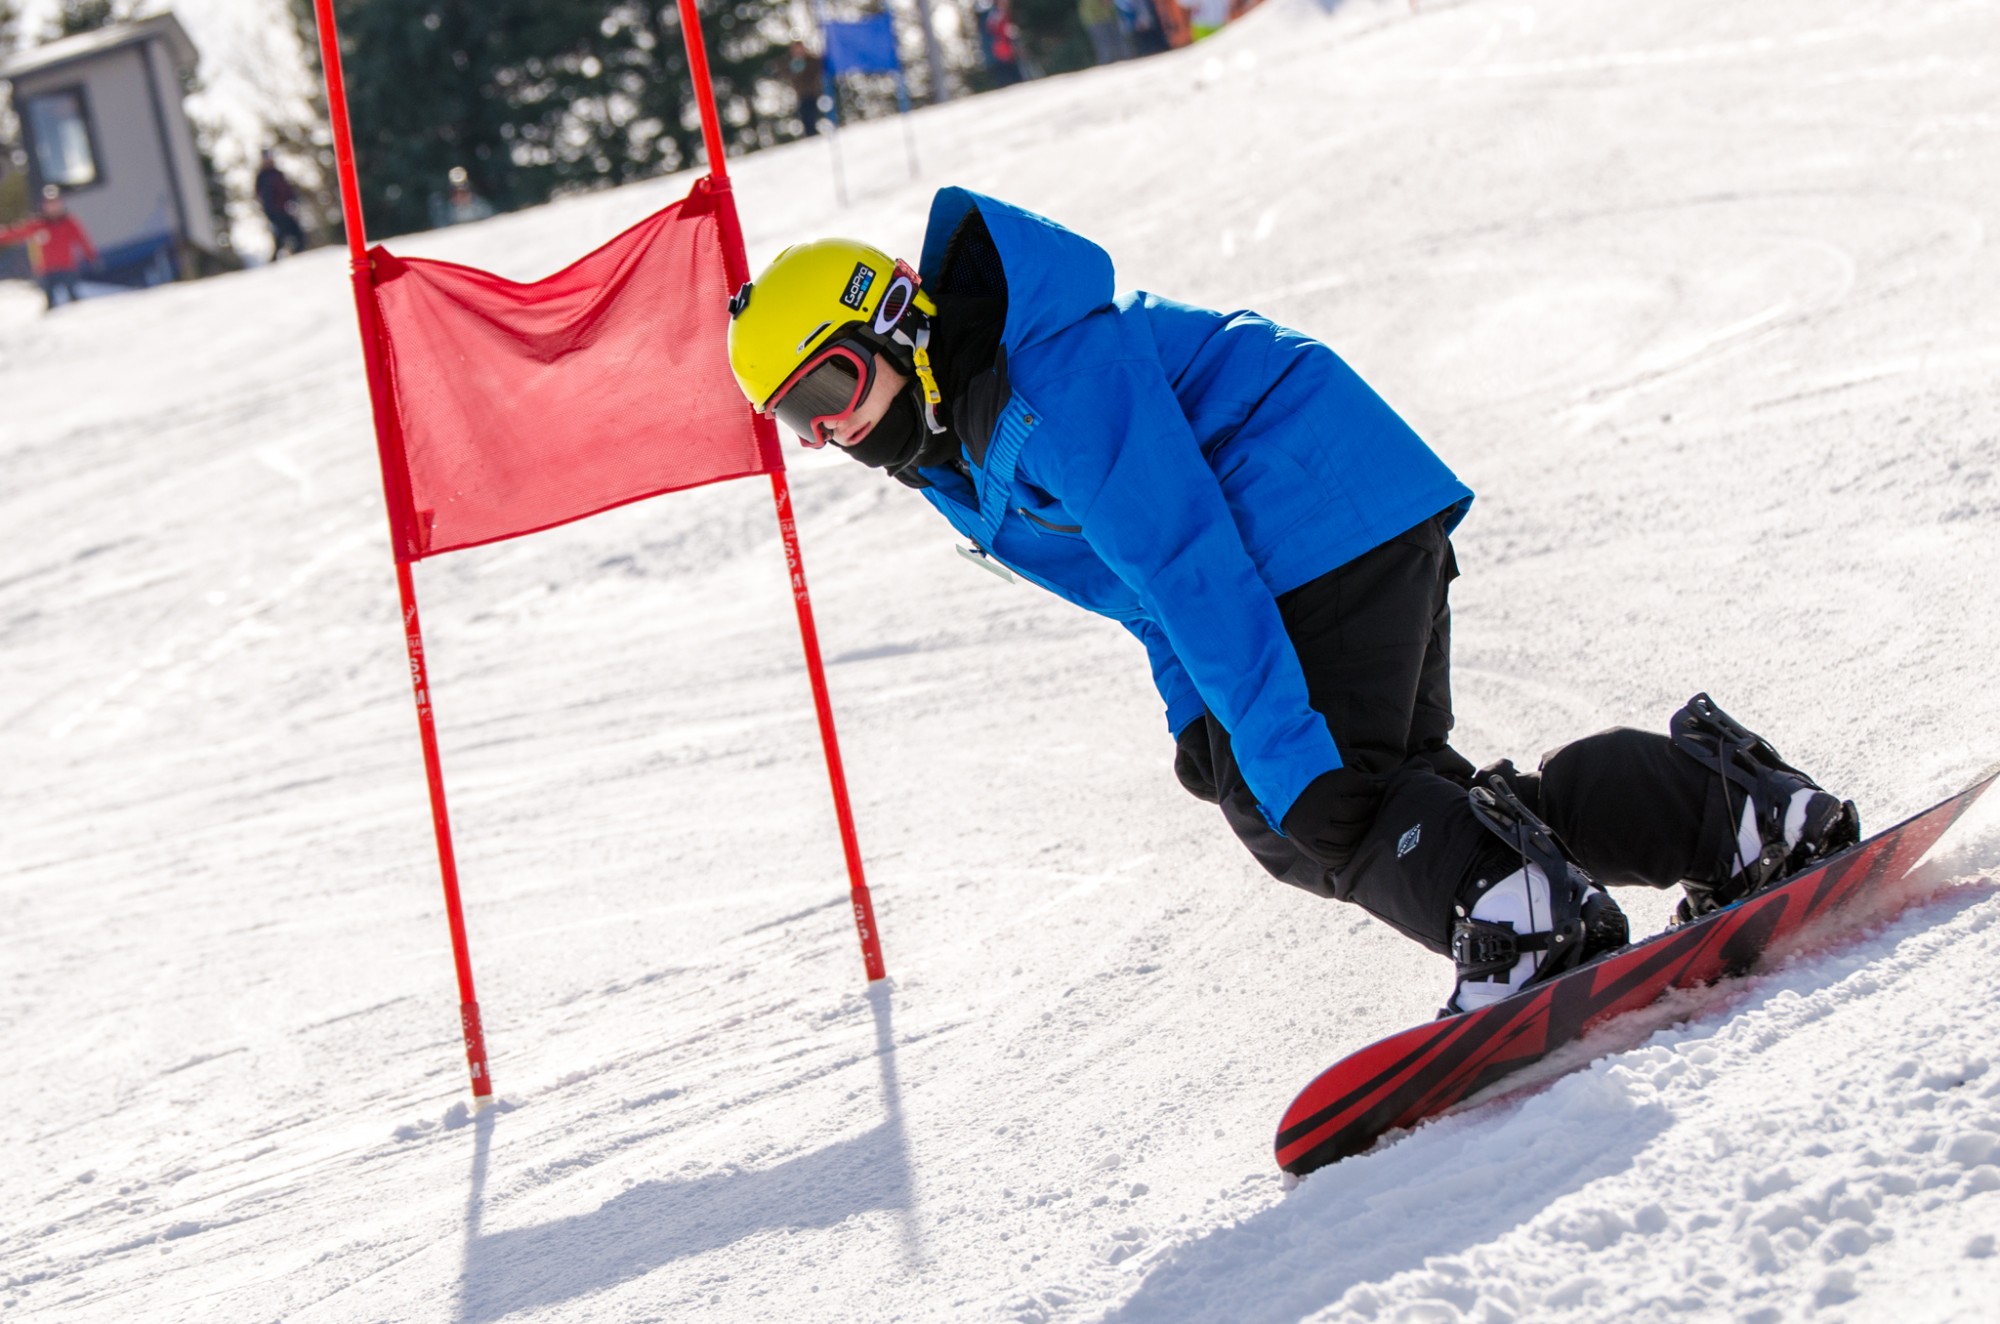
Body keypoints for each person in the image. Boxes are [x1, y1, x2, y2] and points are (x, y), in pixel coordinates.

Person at [724, 189, 1861, 1014]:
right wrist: (1190, 715)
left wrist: (1273, 753)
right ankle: (1724, 811)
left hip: (1308, 513)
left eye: (828, 385)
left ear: (892, 320)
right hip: (1335, 516)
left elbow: (1183, 554)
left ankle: (1517, 907)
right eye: (795, 420)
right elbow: (1131, 584)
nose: (829, 430)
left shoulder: (1044, 376)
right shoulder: (959, 451)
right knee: (1380, 799)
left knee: (1314, 805)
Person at [0, 185, 99, 310]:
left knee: (74, 297)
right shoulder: (38, 224)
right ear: (43, 206)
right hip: (46, 270)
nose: (53, 207)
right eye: (49, 204)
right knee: (49, 300)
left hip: (66, 267)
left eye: (56, 203)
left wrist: (91, 256)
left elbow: (82, 240)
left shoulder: (69, 222)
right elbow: (18, 233)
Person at [255, 150, 308, 260]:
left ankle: (297, 254)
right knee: (282, 235)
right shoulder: (262, 177)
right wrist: (270, 210)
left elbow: (287, 190)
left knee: (295, 234)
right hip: (274, 211)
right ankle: (277, 259)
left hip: (283, 209)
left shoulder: (277, 173)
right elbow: (262, 195)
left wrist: (293, 200)